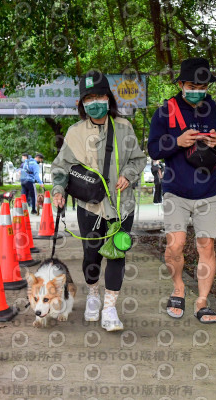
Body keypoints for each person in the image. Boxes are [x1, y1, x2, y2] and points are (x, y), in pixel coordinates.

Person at [51, 70, 146, 332]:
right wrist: (58, 190)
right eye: (88, 98)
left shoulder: (124, 127)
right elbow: (61, 168)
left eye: (99, 96)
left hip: (121, 205)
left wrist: (128, 174)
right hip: (90, 207)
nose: (95, 102)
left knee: (117, 254)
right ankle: (93, 296)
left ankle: (110, 308)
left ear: (108, 98)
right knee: (91, 256)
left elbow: (138, 159)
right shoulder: (74, 132)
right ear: (82, 104)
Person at [148, 57, 216, 324]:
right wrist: (177, 141)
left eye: (203, 85)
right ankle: (178, 288)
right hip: (175, 190)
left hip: (209, 190)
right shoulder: (165, 111)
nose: (198, 90)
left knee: (206, 246)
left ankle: (202, 300)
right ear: (180, 84)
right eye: (192, 85)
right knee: (175, 246)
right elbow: (153, 149)